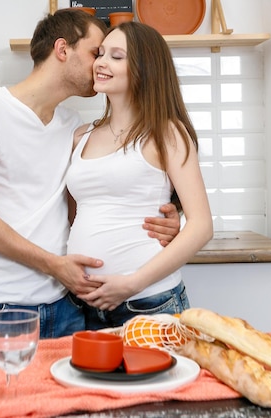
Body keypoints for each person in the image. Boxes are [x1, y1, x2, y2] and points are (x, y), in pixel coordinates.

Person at [0, 10, 181, 340]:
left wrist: (171, 219)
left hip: (69, 307)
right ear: (62, 49)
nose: (101, 63)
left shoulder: (74, 127)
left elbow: (100, 200)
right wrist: (53, 266)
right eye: (95, 52)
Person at [66, 21, 213, 329]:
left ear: (145, 68)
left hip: (148, 300)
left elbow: (201, 226)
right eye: (101, 53)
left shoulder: (166, 132)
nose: (101, 63)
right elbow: (76, 216)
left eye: (117, 56)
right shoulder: (82, 136)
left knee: (160, 379)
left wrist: (131, 283)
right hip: (86, 305)